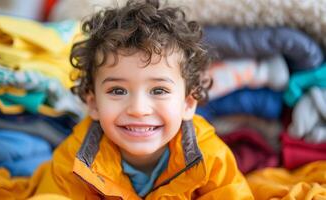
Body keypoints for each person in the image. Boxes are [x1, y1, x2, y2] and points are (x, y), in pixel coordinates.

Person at [34, 0, 254, 199]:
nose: (138, 109)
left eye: (158, 90)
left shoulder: (209, 156)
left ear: (187, 104)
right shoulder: (75, 157)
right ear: (93, 104)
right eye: (118, 91)